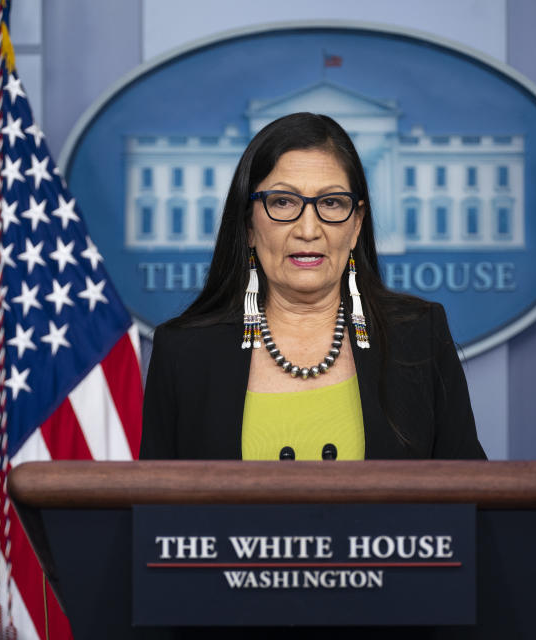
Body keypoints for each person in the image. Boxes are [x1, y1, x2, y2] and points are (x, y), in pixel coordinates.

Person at [140, 113, 485, 462]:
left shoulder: (419, 334)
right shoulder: (183, 352)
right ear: (248, 225)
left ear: (356, 225)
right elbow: (159, 510)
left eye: (331, 203)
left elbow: (470, 499)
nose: (308, 229)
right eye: (283, 202)